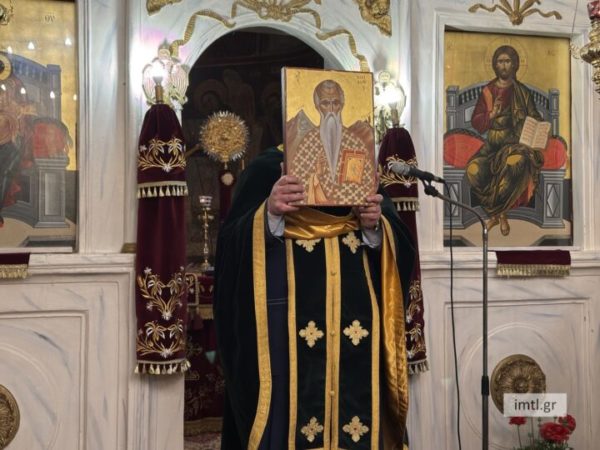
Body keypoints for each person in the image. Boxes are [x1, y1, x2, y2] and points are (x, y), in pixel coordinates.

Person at [213, 144, 416, 449]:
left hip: (358, 327)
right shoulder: (266, 170)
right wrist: (269, 213)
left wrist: (375, 225)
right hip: (286, 332)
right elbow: (231, 250)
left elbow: (399, 252)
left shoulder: (356, 166)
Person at [467, 45, 545, 236]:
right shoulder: (488, 91)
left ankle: (498, 215)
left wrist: (538, 126)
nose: (503, 65)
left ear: (515, 64)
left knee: (513, 164)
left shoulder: (522, 92)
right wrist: (491, 115)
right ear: (495, 65)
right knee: (473, 170)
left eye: (507, 61)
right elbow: (477, 122)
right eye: (500, 61)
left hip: (515, 145)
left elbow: (534, 116)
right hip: (492, 146)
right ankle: (500, 214)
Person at [288, 79, 375, 205]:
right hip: (312, 214)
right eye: (325, 103)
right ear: (317, 107)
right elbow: (296, 186)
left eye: (336, 102)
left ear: (342, 105)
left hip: (349, 214)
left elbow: (364, 184)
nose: (331, 109)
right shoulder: (308, 142)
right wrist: (316, 176)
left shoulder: (355, 143)